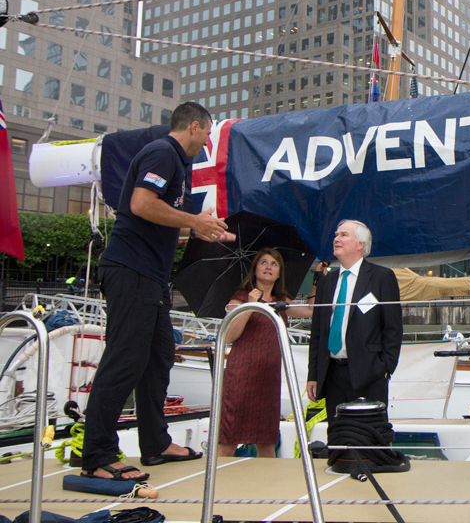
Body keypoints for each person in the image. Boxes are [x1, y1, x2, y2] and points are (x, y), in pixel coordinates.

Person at [82, 102, 233, 482]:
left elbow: (158, 217)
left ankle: (155, 443)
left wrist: (202, 227)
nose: (208, 141)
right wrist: (193, 221)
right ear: (194, 127)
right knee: (125, 360)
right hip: (131, 271)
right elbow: (140, 203)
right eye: (208, 133)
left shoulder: (175, 163)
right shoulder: (163, 153)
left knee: (159, 356)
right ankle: (97, 453)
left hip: (150, 276)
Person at [217, 248, 312, 458]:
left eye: (274, 264)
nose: (268, 267)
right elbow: (230, 335)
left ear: (279, 273)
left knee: (267, 439)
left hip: (269, 377)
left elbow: (310, 311)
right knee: (229, 437)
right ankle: (220, 485)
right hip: (242, 375)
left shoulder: (281, 301)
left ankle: (266, 487)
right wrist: (250, 304)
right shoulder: (239, 298)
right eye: (264, 262)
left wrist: (317, 278)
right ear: (255, 269)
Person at [305, 220, 403, 419]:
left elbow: (393, 328)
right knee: (338, 436)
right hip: (331, 375)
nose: (336, 239)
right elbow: (317, 333)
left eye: (343, 235)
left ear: (360, 244)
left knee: (369, 437)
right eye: (336, 235)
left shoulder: (381, 277)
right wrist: (313, 375)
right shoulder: (326, 283)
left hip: (369, 374)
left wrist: (385, 368)